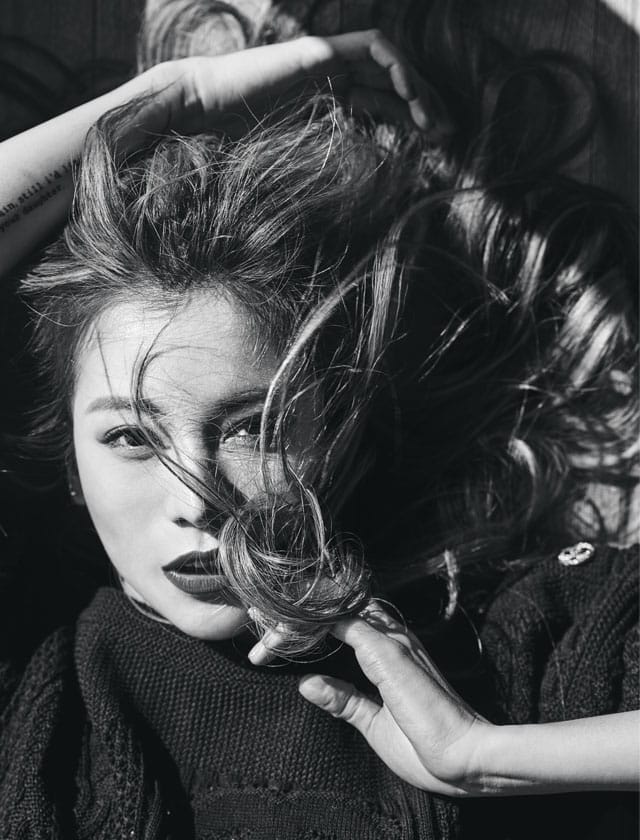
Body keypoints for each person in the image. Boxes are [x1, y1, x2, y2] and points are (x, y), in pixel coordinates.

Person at [0, 2, 637, 838]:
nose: (196, 500)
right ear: (72, 468)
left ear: (346, 427)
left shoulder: (510, 635)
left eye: (252, 427)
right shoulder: (37, 680)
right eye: (129, 437)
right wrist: (173, 97)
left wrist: (487, 757)